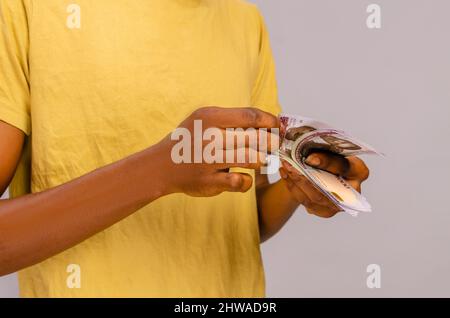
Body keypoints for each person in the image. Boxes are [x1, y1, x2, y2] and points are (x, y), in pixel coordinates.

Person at [0, 0, 370, 297]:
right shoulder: (27, 8)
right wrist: (160, 170)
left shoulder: (245, 21)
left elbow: (241, 219)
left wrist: (300, 186)